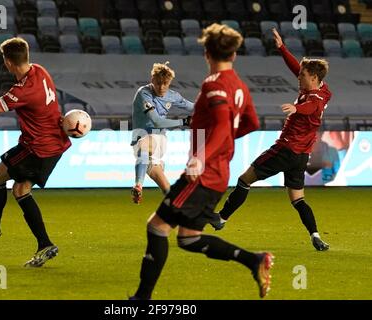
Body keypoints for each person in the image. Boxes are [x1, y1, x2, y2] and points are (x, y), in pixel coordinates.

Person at [130, 24, 273, 300]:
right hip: (218, 175)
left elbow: (221, 124)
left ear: (207, 53)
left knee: (156, 227)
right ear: (234, 55)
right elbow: (252, 122)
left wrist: (200, 157)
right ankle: (254, 260)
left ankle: (141, 299)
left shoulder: (214, 84)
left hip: (202, 174)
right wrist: (224, 143)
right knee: (189, 238)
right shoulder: (240, 87)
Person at [212, 28, 331, 252]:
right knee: (298, 199)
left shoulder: (314, 99)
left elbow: (310, 107)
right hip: (301, 156)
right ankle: (315, 234)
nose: (299, 77)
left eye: (302, 76)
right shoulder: (323, 90)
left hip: (285, 150)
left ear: (313, 78)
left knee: (245, 179)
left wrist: (296, 107)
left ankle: (222, 218)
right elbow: (298, 69)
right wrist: (282, 48)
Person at [0, 37, 71, 267]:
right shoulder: (40, 71)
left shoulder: (23, 91)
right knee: (21, 190)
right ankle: (45, 244)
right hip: (55, 145)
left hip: (37, 147)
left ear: (8, 62)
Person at [131, 62, 193, 204]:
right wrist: (183, 122)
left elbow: (194, 107)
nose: (162, 87)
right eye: (158, 83)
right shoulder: (144, 93)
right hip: (139, 138)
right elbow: (157, 121)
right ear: (152, 80)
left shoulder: (173, 96)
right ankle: (180, 206)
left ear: (170, 82)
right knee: (164, 184)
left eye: (165, 83)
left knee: (145, 144)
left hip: (157, 138)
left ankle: (138, 185)